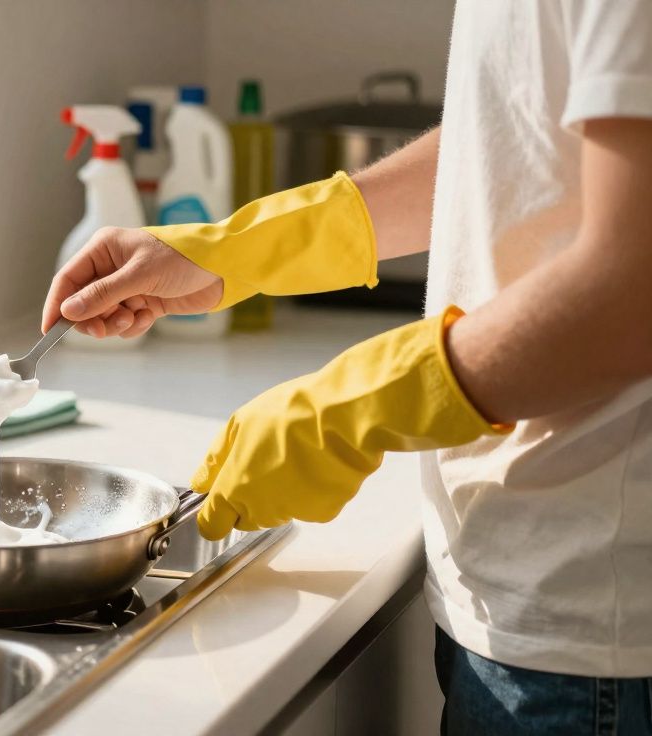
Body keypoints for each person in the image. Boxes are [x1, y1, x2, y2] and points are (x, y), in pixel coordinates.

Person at [41, 3, 652, 733]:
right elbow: (517, 138)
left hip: (598, 626)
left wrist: (352, 407)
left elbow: (630, 291)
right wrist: (242, 249)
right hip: (526, 583)